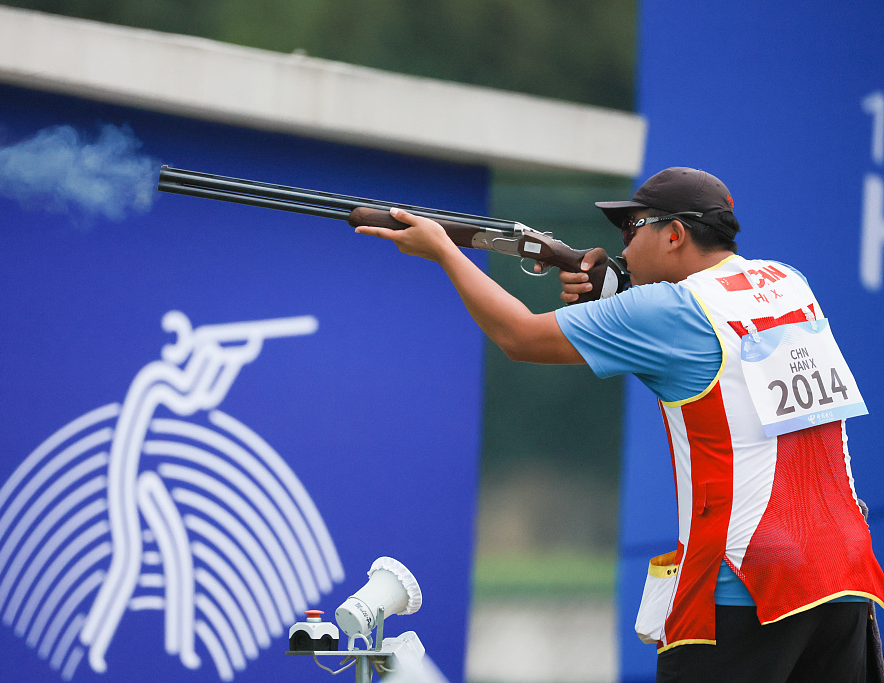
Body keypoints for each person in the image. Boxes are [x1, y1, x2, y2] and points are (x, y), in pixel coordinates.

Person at [355, 167, 884, 682]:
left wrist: (446, 251)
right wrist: (615, 300)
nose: (624, 249)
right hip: (842, 572)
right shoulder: (787, 282)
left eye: (633, 230)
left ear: (675, 234)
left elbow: (518, 336)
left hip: (744, 584)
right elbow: (720, 356)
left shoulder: (669, 307)